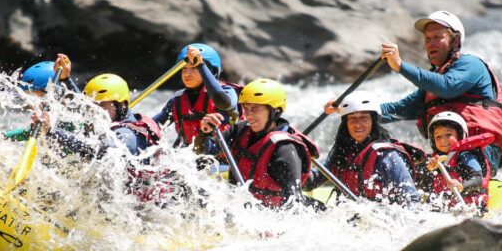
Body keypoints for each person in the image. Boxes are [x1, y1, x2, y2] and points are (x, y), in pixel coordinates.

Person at [326, 11, 502, 174]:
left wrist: (400, 66)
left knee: (460, 157)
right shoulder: (432, 83)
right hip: (446, 156)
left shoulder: (471, 65)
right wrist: (348, 108)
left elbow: (447, 87)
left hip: (479, 152)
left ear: (455, 40)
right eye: (427, 38)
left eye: (437, 37)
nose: (430, 43)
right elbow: (397, 109)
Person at [199, 78, 321, 209]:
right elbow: (204, 152)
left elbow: (294, 203)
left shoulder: (286, 149)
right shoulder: (240, 129)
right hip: (241, 207)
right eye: (246, 108)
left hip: (272, 215)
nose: (248, 115)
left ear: (275, 111)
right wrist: (204, 133)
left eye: (255, 108)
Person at [305, 94, 424, 207]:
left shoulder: (386, 155)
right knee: (298, 200)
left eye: (364, 117)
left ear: (373, 121)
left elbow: (411, 199)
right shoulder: (342, 151)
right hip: (347, 217)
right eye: (352, 118)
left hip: (381, 219)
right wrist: (296, 157)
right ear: (345, 123)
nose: (358, 124)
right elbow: (310, 182)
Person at [151, 43, 242, 148]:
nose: (187, 73)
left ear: (211, 71)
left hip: (224, 160)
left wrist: (201, 64)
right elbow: (152, 126)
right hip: (190, 160)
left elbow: (223, 103)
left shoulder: (228, 92)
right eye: (184, 68)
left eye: (194, 68)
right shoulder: (177, 101)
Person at [3, 53, 78, 142]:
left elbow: (79, 144)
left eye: (35, 98)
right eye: (29, 99)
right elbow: (29, 132)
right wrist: (1, 137)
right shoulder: (47, 124)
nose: (31, 106)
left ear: (56, 96)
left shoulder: (72, 121)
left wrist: (49, 130)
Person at [424, 111, 491, 210]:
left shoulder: (465, 156)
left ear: (459, 135)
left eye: (448, 134)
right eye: (438, 136)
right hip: (447, 206)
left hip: (471, 206)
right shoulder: (435, 161)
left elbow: (478, 180)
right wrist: (429, 170)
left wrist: (461, 185)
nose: (443, 140)